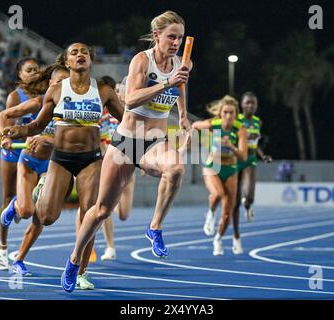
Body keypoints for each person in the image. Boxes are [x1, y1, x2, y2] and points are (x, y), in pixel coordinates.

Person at [61, 10, 192, 293]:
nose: (176, 42)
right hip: (127, 140)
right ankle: (74, 260)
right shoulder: (141, 61)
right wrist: (167, 82)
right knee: (101, 211)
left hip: (156, 140)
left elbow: (182, 84)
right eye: (171, 36)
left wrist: (182, 116)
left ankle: (155, 227)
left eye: (180, 37)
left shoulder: (181, 62)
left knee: (177, 169)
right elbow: (130, 99)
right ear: (157, 36)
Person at [1, 43, 123, 290]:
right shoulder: (56, 91)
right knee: (46, 217)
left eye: (84, 52)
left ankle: (79, 269)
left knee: (91, 214)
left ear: (90, 60)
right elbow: (36, 125)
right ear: (67, 62)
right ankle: (33, 198)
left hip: (90, 158)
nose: (80, 55)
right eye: (74, 53)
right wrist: (17, 130)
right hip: (60, 158)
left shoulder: (104, 91)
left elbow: (128, 122)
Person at [0, 62, 70, 276]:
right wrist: (5, 136)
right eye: (58, 83)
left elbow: (72, 141)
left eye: (67, 84)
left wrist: (48, 140)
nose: (62, 87)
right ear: (50, 84)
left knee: (42, 215)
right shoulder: (38, 102)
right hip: (28, 161)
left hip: (53, 165)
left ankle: (19, 259)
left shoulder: (73, 109)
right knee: (26, 210)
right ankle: (13, 208)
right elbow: (2, 116)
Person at [0, 57, 39, 271]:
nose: (34, 73)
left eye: (36, 69)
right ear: (20, 75)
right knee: (6, 196)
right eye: (29, 70)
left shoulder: (44, 96)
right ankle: (2, 248)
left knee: (30, 204)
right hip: (14, 152)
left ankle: (19, 206)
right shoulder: (15, 97)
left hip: (35, 153)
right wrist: (7, 139)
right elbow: (7, 123)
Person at [194, 95, 247, 255]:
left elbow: (243, 156)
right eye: (226, 112)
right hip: (213, 166)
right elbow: (195, 125)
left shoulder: (240, 129)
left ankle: (218, 239)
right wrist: (203, 138)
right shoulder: (213, 124)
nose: (229, 116)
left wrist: (230, 146)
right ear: (220, 113)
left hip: (230, 169)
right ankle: (210, 214)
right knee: (218, 194)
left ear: (236, 114)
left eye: (232, 113)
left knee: (226, 213)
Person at [97, 75, 135, 261]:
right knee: (105, 208)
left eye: (123, 91)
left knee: (124, 215)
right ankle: (110, 246)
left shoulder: (132, 112)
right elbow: (96, 137)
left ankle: (116, 198)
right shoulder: (102, 113)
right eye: (118, 91)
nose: (120, 95)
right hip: (107, 165)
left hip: (127, 167)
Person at [233, 92, 272, 228]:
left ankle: (248, 206)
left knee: (249, 195)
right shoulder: (234, 119)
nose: (250, 105)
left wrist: (263, 156)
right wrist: (246, 135)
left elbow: (255, 144)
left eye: (253, 103)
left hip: (250, 159)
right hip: (236, 158)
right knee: (235, 198)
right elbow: (231, 138)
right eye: (247, 102)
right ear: (242, 104)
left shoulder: (257, 121)